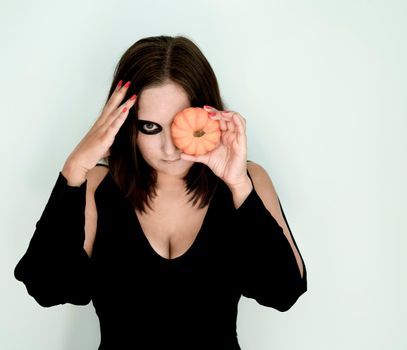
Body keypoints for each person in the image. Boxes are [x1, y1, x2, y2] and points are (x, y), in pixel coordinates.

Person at [14, 35, 307, 349]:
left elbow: (282, 292)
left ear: (209, 115)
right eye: (150, 127)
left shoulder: (247, 181)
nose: (169, 148)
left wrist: (238, 185)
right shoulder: (95, 186)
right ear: (125, 123)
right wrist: (75, 167)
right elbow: (47, 288)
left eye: (180, 124)